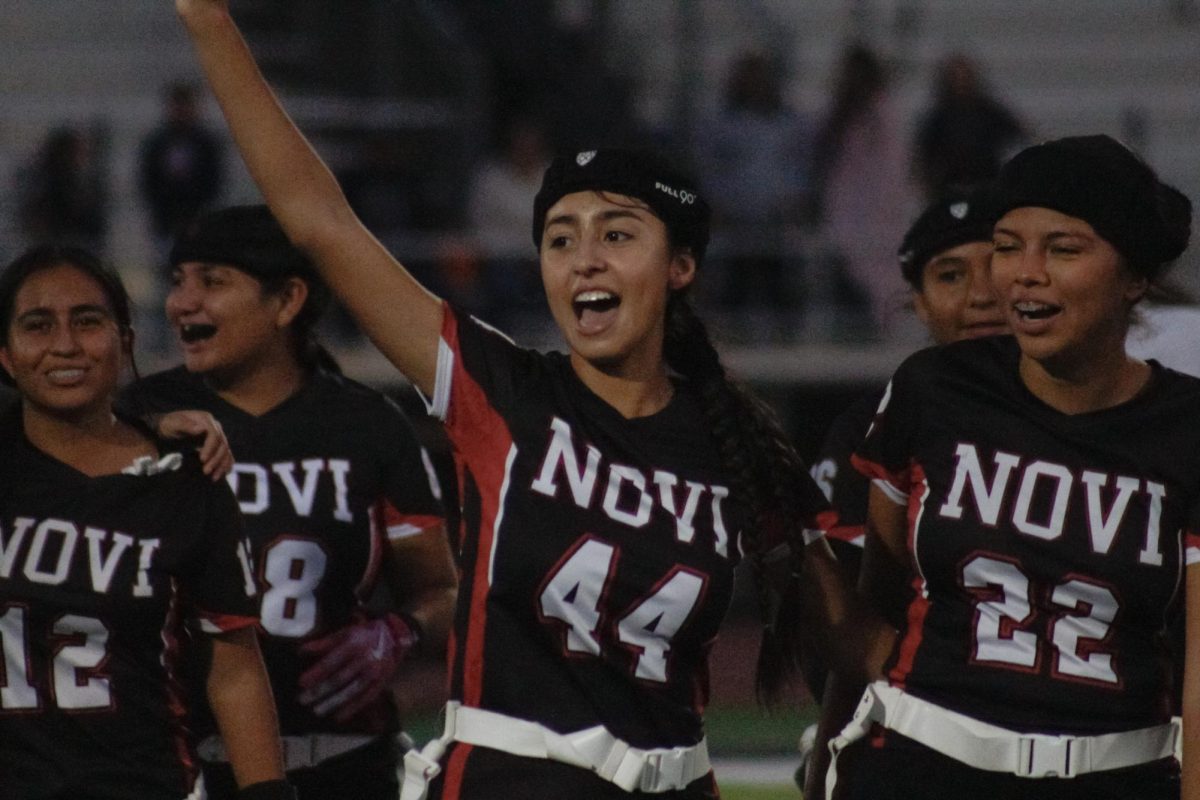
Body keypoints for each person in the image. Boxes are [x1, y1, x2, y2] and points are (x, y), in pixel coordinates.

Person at [175, 2, 859, 798]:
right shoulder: (500, 393)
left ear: (680, 267)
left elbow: (851, 643)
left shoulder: (739, 446)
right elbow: (320, 223)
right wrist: (209, 20)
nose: (585, 260)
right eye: (560, 238)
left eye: (617, 234)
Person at [819, 135, 1195, 800]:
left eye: (1062, 248)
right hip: (921, 764)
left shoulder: (1186, 426)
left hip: (1117, 774)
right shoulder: (933, 389)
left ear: (1135, 276)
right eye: (1008, 243)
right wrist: (828, 753)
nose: (1023, 272)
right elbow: (880, 605)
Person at [127, 204, 457, 800]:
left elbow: (444, 591)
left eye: (213, 281)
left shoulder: (369, 426)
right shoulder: (143, 418)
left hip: (350, 764)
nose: (183, 302)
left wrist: (398, 634)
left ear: (287, 300)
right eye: (179, 281)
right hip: (180, 765)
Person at [0, 244, 293, 800]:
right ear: (6, 355)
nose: (65, 344)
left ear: (126, 341)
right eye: (37, 325)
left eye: (88, 321)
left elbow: (233, 667)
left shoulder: (185, 478)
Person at [799, 185, 1004, 791]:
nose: (982, 294)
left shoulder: (1103, 420)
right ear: (916, 302)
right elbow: (842, 620)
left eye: (998, 263)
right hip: (921, 741)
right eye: (951, 275)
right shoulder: (872, 429)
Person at [812, 42, 917, 338]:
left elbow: (893, 167)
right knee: (843, 282)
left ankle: (875, 331)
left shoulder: (883, 114)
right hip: (843, 213)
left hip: (877, 214)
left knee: (875, 285)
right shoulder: (836, 116)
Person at [913, 54, 1026, 202]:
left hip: (986, 182)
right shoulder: (940, 116)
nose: (961, 82)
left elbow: (1018, 131)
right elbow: (924, 151)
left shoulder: (988, 111)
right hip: (950, 185)